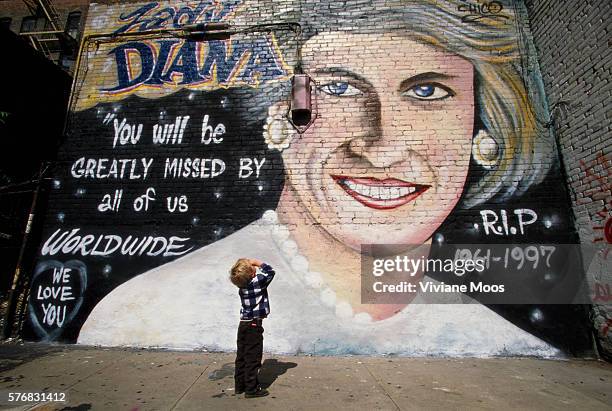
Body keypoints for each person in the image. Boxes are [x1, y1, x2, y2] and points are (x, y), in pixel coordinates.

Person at [78, 1, 561, 356]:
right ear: (281, 116)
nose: (383, 145)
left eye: (428, 90)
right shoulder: (146, 319)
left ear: (480, 126)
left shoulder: (513, 350)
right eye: (338, 87)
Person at [230, 258, 275, 398]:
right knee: (253, 358)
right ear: (252, 274)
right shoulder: (258, 282)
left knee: (242, 356)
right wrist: (258, 263)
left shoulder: (242, 287)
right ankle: (251, 389)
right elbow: (270, 272)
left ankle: (240, 386)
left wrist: (251, 268)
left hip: (243, 324)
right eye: (251, 267)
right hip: (254, 326)